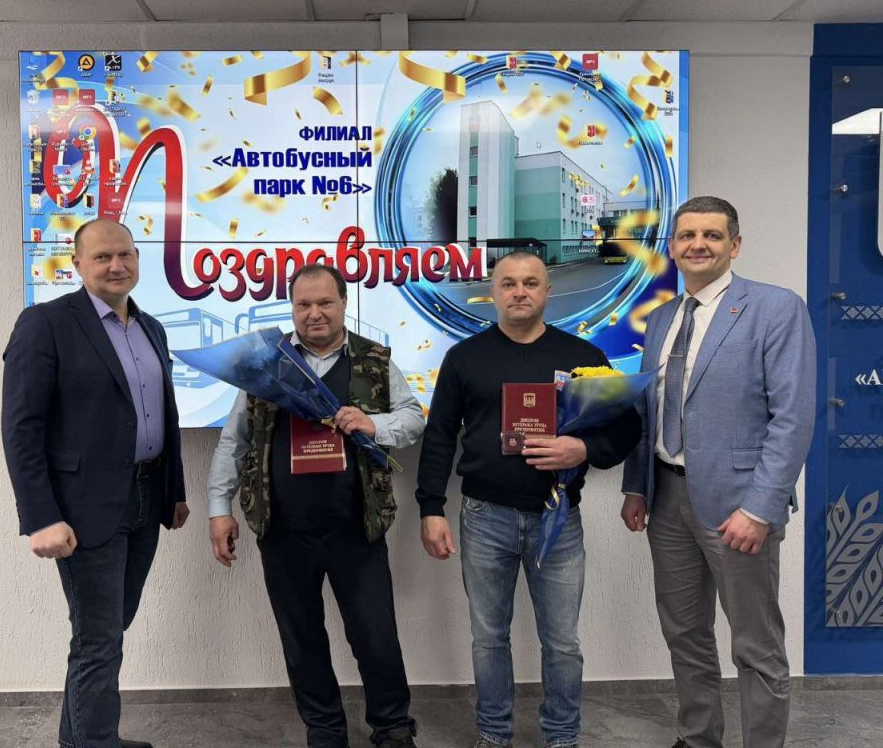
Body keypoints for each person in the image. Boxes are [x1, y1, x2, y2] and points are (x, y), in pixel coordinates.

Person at [416, 251, 641, 748]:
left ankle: (562, 736)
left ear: (547, 291)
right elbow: (439, 437)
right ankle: (493, 734)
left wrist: (583, 448)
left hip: (557, 519)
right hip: (483, 518)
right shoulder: (464, 358)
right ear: (493, 292)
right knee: (488, 638)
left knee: (562, 643)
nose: (520, 292)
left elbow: (626, 427)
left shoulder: (584, 357)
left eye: (531, 283)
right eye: (509, 283)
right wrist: (430, 508)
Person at [620, 196, 815, 748]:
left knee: (755, 644)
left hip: (739, 507)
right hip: (666, 501)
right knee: (685, 635)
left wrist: (760, 508)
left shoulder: (776, 308)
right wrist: (636, 487)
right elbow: (648, 410)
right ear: (672, 247)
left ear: (735, 244)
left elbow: (793, 418)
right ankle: (698, 736)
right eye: (687, 235)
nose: (698, 244)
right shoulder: (662, 319)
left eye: (712, 234)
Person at [207, 264, 425, 748]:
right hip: (283, 530)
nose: (315, 313)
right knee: (302, 639)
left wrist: (373, 424)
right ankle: (324, 729)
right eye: (303, 304)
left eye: (325, 302)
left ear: (344, 303)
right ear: (292, 308)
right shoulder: (266, 366)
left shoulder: (374, 360)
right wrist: (219, 509)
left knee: (375, 635)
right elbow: (233, 442)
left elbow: (413, 419)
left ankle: (392, 726)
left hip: (357, 528)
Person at [2, 218, 189, 748]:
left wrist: (174, 491)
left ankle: (82, 737)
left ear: (138, 259)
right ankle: (95, 741)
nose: (116, 265)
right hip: (83, 508)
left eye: (125, 254)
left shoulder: (151, 328)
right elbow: (21, 427)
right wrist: (41, 517)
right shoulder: (45, 323)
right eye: (102, 256)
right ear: (77, 264)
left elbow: (162, 414)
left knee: (106, 631)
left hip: (146, 498)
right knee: (99, 640)